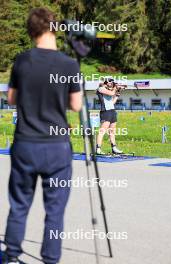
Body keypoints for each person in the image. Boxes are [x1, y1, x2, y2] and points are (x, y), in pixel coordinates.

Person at [3, 7, 82, 264]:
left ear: (31, 30)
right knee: (55, 210)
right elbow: (76, 105)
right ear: (54, 28)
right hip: (56, 146)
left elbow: (11, 98)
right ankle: (50, 259)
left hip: (26, 142)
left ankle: (12, 255)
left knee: (19, 204)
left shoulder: (22, 60)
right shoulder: (69, 64)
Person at [96, 77, 123, 155]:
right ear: (106, 83)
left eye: (112, 83)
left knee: (112, 131)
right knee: (102, 131)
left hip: (112, 111)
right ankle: (98, 148)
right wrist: (115, 88)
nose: (111, 85)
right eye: (110, 83)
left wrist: (117, 94)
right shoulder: (100, 89)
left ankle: (114, 148)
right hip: (105, 112)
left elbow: (112, 102)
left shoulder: (110, 90)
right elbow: (111, 93)